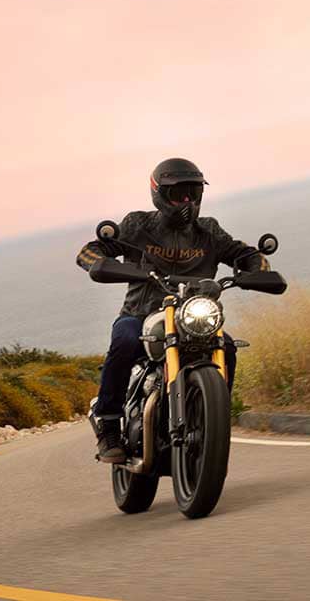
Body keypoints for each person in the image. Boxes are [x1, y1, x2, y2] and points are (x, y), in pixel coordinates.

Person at [75, 157, 268, 463]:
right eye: (179, 194)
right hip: (141, 315)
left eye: (193, 192)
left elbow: (244, 253)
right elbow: (89, 251)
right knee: (125, 339)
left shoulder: (209, 231)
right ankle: (108, 423)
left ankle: (210, 419)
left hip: (192, 318)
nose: (187, 202)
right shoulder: (138, 225)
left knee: (227, 346)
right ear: (160, 195)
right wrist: (99, 263)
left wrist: (255, 267)